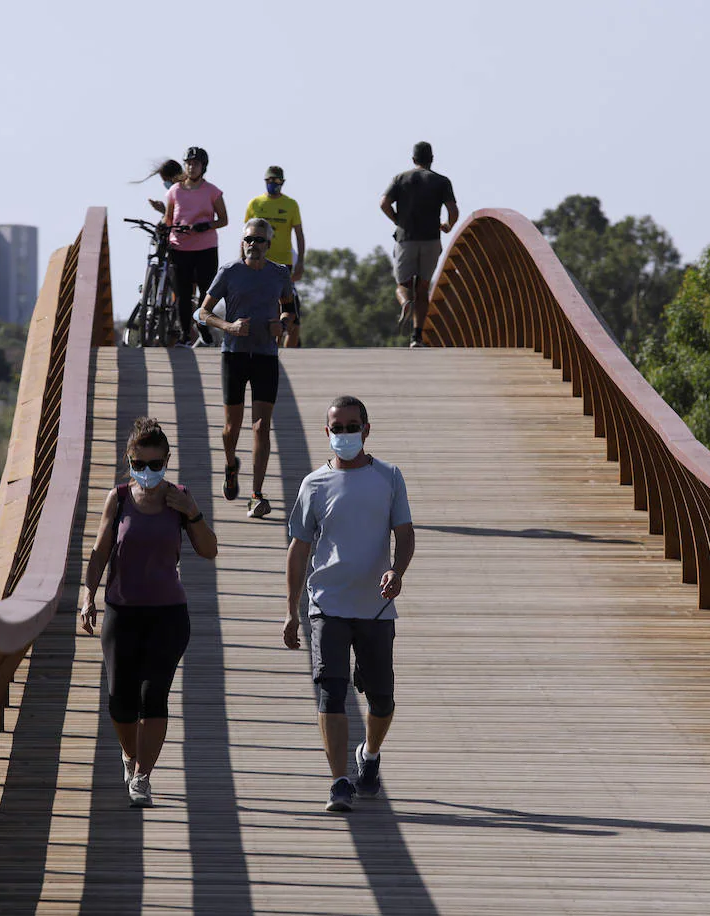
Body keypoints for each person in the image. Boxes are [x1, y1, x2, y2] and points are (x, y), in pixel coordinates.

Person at [283, 396, 414, 812]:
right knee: (331, 693)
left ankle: (369, 756)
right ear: (326, 433)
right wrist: (291, 609)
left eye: (351, 426)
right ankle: (339, 780)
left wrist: (397, 570)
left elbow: (405, 533)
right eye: (336, 428)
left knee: (382, 700)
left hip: (376, 607)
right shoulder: (313, 485)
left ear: (366, 429)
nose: (344, 434)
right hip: (328, 605)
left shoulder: (389, 477)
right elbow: (299, 548)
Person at [81, 417, 217, 807]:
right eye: (139, 464)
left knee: (152, 696)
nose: (147, 472)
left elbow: (209, 550)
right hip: (122, 612)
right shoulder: (119, 498)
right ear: (129, 460)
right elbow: (100, 551)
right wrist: (87, 595)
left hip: (168, 614)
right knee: (119, 702)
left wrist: (193, 512)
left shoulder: (179, 498)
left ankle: (142, 776)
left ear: (167, 461)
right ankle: (129, 755)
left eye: (155, 464)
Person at [196, 218, 295, 519]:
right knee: (231, 428)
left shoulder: (280, 273)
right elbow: (202, 311)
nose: (253, 245)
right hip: (234, 355)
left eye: (260, 241)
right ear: (243, 242)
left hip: (265, 355)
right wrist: (229, 326)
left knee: (261, 427)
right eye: (249, 239)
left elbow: (290, 308)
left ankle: (256, 494)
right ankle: (230, 464)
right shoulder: (230, 272)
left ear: (268, 245)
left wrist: (283, 324)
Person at [379, 141, 459, 349]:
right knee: (423, 288)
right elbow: (453, 210)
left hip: (406, 239)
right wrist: (448, 226)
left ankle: (405, 303)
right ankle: (416, 337)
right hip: (431, 239)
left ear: (413, 159)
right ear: (432, 159)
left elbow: (383, 203)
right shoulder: (442, 181)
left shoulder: (400, 179)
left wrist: (397, 219)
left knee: (403, 285)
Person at [164, 146, 227, 346]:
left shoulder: (212, 192)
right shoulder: (174, 191)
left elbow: (223, 219)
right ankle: (184, 333)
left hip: (205, 248)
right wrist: (168, 228)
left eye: (196, 164)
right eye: (188, 163)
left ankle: (201, 324)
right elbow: (168, 219)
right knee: (182, 294)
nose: (191, 167)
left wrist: (207, 225)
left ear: (203, 167)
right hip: (180, 247)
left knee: (205, 291)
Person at [245, 165, 305, 347]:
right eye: (269, 180)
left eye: (276, 181)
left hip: (284, 264)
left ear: (283, 182)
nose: (272, 184)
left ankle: (290, 353)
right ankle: (267, 346)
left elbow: (299, 235)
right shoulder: (255, 204)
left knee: (291, 310)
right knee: (264, 306)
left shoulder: (290, 204)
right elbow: (245, 235)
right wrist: (243, 261)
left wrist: (300, 262)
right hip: (258, 262)